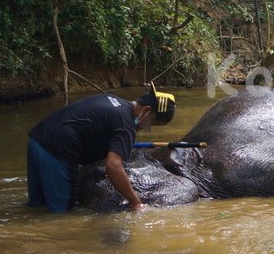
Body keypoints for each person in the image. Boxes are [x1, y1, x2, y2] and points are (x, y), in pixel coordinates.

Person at [26, 84, 176, 213]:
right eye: (152, 123)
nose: (146, 128)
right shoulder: (126, 124)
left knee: (36, 208)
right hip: (56, 153)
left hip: (36, 142)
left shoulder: (113, 100)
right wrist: (136, 203)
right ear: (146, 111)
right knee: (60, 216)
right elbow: (113, 166)